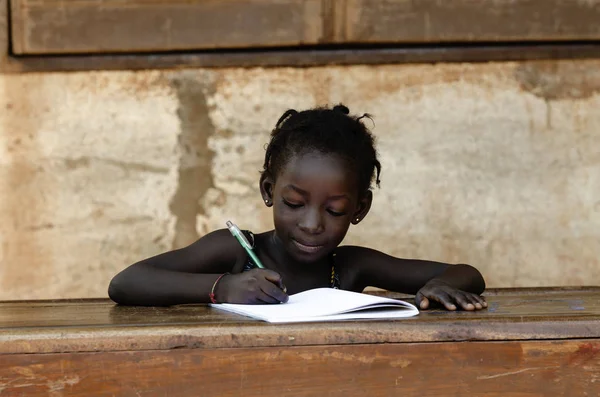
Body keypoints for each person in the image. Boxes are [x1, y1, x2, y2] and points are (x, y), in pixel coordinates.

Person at [108, 104, 487, 311]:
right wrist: (220, 287)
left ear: (360, 208)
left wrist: (440, 287)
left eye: (335, 210)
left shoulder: (351, 266)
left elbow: (467, 273)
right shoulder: (237, 250)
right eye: (293, 203)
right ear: (268, 190)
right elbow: (126, 282)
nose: (311, 224)